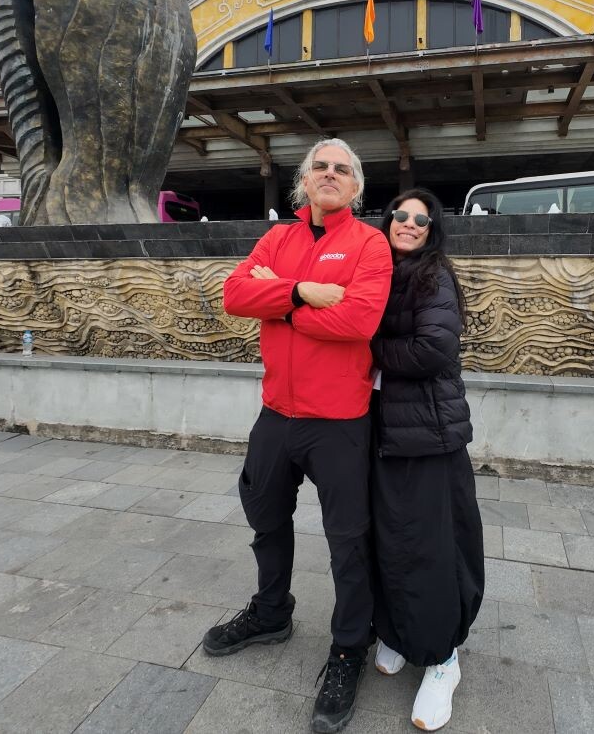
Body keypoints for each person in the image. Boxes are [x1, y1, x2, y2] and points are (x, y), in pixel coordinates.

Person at [204, 137, 392, 734]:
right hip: (275, 416)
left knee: (348, 541)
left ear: (356, 187)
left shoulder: (370, 244)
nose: (330, 174)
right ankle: (270, 612)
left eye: (343, 168)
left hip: (338, 420)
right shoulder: (277, 238)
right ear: (303, 183)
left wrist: (276, 297)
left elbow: (358, 321)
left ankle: (348, 648)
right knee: (265, 518)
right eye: (320, 167)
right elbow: (235, 295)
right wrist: (302, 292)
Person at [369, 188, 484, 732]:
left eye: (423, 219)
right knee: (388, 535)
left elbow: (432, 349)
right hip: (384, 430)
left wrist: (366, 349)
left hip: (429, 433)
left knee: (431, 544)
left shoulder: (433, 274)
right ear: (387, 219)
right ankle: (397, 630)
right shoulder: (377, 268)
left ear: (432, 229)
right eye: (402, 215)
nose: (410, 224)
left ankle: (442, 659)